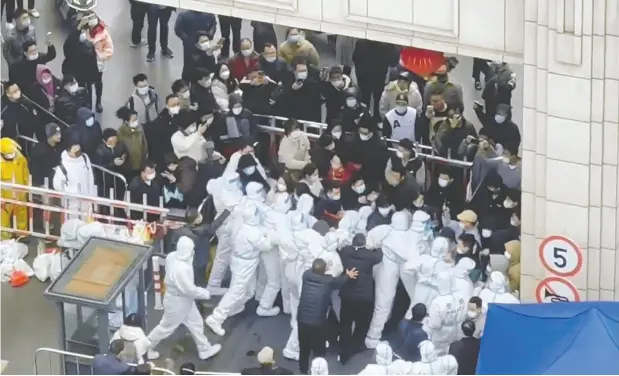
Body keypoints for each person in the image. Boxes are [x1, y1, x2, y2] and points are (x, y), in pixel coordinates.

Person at [146, 236, 222, 360]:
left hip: (183, 300)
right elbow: (189, 289)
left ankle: (205, 349)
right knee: (166, 327)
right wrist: (204, 294)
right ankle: (146, 347)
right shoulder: (181, 269)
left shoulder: (172, 256)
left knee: (196, 323)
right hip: (177, 301)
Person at [205, 203, 274, 336]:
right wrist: (272, 235)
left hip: (242, 262)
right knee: (235, 291)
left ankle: (234, 307)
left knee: (249, 290)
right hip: (245, 265)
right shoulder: (252, 232)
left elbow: (261, 230)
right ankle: (216, 318)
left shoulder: (245, 226)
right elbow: (266, 246)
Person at [364, 211, 429, 348]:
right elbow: (369, 243)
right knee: (385, 301)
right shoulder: (390, 232)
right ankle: (374, 335)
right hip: (391, 263)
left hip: (401, 264)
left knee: (389, 301)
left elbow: (369, 243)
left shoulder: (392, 232)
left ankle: (374, 335)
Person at [296, 258, 358, 374]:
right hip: (317, 322)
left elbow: (314, 270)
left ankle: (303, 370)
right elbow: (340, 281)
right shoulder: (328, 281)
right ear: (324, 270)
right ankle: (319, 369)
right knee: (319, 349)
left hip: (302, 319)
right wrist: (348, 275)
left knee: (304, 348)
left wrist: (324, 268)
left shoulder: (306, 275)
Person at [338, 234, 383, 364]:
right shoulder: (370, 256)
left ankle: (344, 344)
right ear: (364, 243)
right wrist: (377, 247)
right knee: (361, 324)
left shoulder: (345, 251)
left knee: (345, 322)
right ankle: (356, 345)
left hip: (347, 294)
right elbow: (379, 256)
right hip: (364, 297)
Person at [353, 40, 400, 119]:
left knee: (365, 99)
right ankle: (377, 119)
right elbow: (393, 62)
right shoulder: (388, 45)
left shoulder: (361, 42)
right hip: (379, 77)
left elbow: (355, 58)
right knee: (378, 100)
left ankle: (365, 120)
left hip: (363, 77)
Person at [78, 12, 114, 113]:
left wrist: (100, 55)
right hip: (86, 62)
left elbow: (109, 49)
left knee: (98, 83)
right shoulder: (83, 31)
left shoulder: (103, 33)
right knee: (87, 83)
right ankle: (89, 102)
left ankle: (98, 102)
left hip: (97, 62)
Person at [425, 271, 466, 355]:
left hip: (442, 333)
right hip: (457, 329)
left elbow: (435, 324)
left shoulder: (438, 302)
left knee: (438, 353)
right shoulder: (461, 296)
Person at [52, 139, 96, 217]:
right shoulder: (63, 166)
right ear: (68, 152)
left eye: (78, 148)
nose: (77, 150)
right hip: (72, 203)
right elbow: (57, 185)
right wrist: (72, 192)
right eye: (75, 149)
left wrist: (92, 195)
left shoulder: (85, 158)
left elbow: (90, 176)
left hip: (87, 199)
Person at [174, 9, 217, 80]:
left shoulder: (209, 14)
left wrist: (209, 36)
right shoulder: (184, 15)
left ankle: (207, 78)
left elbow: (213, 24)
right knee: (190, 64)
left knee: (208, 59)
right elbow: (178, 29)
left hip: (205, 42)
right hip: (190, 45)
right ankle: (187, 80)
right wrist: (188, 40)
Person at [277, 56, 322, 123]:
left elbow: (317, 102)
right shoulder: (287, 79)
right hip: (294, 118)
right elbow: (282, 99)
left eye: (305, 70)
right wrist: (292, 89)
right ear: (294, 71)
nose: (303, 73)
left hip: (310, 119)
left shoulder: (313, 81)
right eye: (300, 71)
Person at [0, 138, 29, 239]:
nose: (12, 156)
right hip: (4, 196)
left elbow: (25, 173)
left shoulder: (20, 158)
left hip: (20, 192)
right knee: (3, 219)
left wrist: (26, 188)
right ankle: (5, 239)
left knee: (22, 215)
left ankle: (22, 235)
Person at [144, 94, 181, 168]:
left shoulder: (179, 116)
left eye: (178, 104)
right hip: (165, 158)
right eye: (173, 105)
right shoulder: (159, 123)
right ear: (167, 106)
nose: (176, 107)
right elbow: (156, 145)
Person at [1, 80, 39, 146]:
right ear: (8, 94)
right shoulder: (3, 107)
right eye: (15, 91)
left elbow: (34, 120)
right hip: (8, 142)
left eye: (18, 90)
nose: (18, 92)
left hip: (25, 141)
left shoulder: (26, 104)